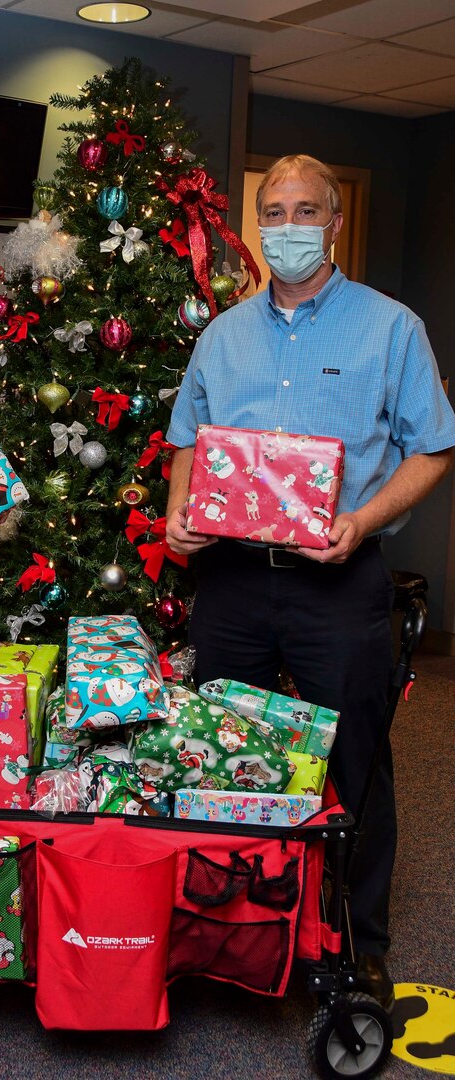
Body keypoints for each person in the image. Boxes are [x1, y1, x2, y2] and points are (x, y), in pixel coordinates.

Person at [165, 155, 455, 1009]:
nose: (287, 225)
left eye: (305, 210)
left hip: (340, 581)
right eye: (272, 211)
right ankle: (235, 929)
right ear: (260, 224)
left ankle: (360, 944)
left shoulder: (391, 328)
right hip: (231, 583)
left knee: (356, 766)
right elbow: (190, 436)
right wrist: (181, 512)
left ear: (332, 222)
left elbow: (433, 446)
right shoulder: (223, 334)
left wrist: (362, 523)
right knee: (222, 756)